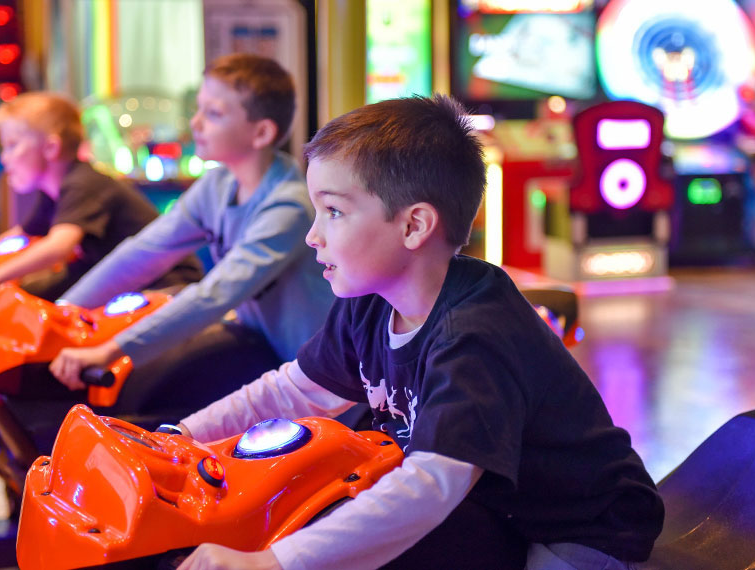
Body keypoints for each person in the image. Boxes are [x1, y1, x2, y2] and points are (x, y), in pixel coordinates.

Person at [174, 95, 665, 570]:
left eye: (334, 211)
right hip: (495, 506)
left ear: (414, 226)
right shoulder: (368, 303)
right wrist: (178, 439)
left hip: (578, 528)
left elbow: (431, 484)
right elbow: (290, 391)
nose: (313, 235)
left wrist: (274, 563)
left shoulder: (474, 333)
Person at [48, 54, 334, 401]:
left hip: (315, 382)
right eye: (198, 109)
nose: (195, 123)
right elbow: (144, 252)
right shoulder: (217, 184)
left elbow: (216, 294)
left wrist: (110, 351)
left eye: (213, 114)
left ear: (261, 132)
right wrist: (61, 311)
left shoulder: (288, 205)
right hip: (260, 351)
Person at [0, 91, 202, 304]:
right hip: (112, 275)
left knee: (38, 311)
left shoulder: (84, 183)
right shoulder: (54, 191)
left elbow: (58, 247)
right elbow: (22, 235)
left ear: (51, 148)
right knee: (22, 298)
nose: (4, 157)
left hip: (165, 283)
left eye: (12, 145)